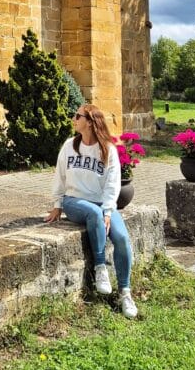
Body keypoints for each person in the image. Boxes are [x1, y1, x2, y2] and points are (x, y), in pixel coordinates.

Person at [45, 104, 138, 319]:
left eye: (78, 116)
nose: (73, 118)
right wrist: (57, 204)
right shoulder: (70, 146)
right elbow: (59, 176)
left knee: (122, 238)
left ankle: (125, 292)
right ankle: (100, 268)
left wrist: (108, 211)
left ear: (90, 121)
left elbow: (112, 186)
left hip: (101, 203)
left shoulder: (108, 150)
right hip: (74, 202)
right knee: (94, 215)